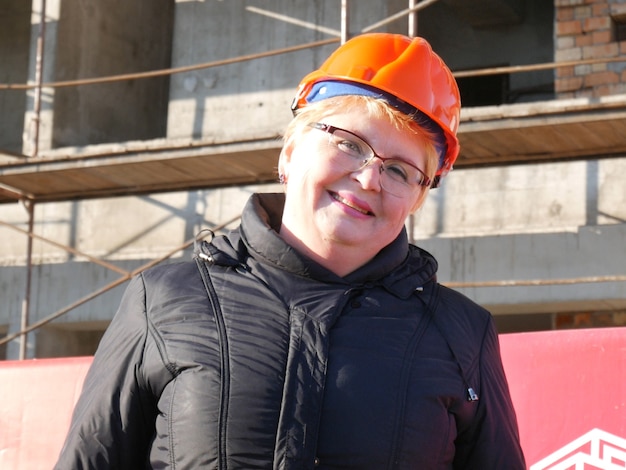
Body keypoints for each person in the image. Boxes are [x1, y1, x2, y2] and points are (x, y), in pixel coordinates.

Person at [55, 33, 526, 469]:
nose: (368, 179)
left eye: (400, 170)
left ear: (419, 197)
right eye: (349, 143)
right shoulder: (163, 302)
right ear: (290, 152)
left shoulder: (460, 333)